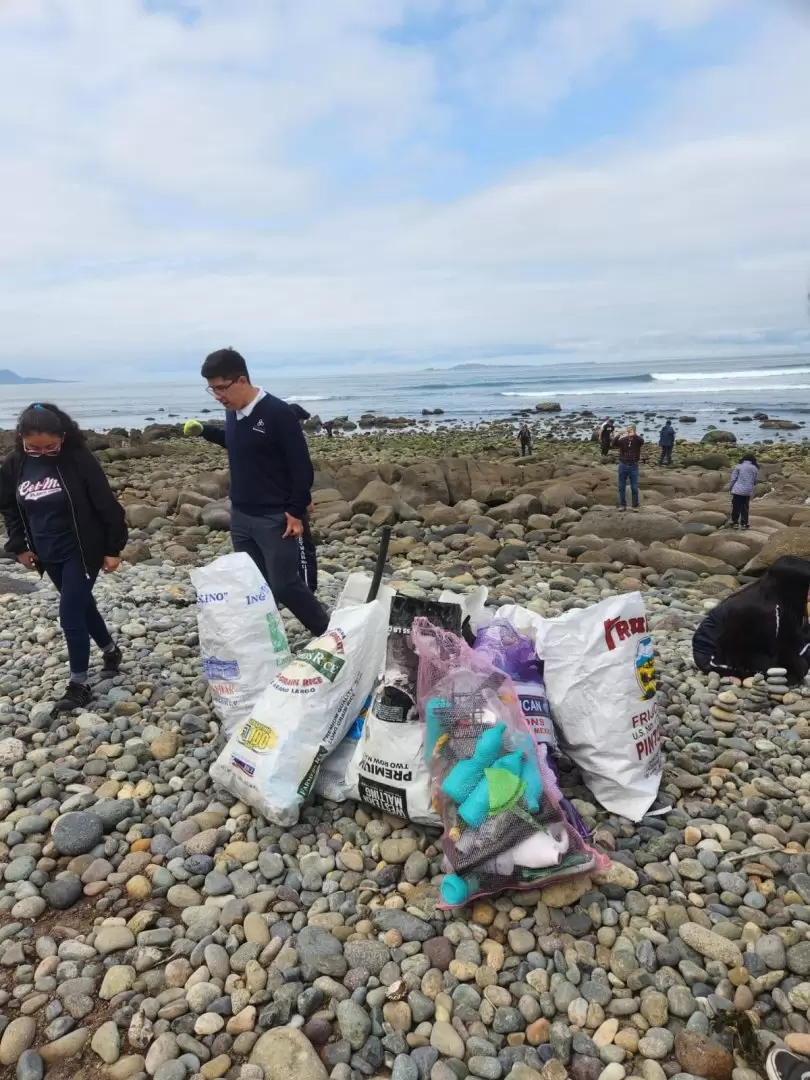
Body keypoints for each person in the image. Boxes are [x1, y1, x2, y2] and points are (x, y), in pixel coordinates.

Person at [184, 348, 329, 637]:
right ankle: (268, 642)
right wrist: (205, 431)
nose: (218, 396)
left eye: (221, 388)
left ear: (241, 380)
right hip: (241, 515)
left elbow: (301, 466)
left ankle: (328, 633)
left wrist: (296, 511)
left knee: (284, 584)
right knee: (254, 584)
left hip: (275, 516)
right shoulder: (233, 412)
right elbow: (239, 444)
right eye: (211, 390)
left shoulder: (277, 413)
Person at [0, 403, 128, 711]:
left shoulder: (79, 460)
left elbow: (107, 506)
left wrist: (114, 549)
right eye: (35, 448)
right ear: (21, 438)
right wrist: (20, 546)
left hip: (82, 549)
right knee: (83, 606)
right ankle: (111, 651)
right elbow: (10, 507)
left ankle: (78, 684)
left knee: (69, 612)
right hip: (46, 550)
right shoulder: (16, 463)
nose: (43, 453)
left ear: (63, 437)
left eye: (50, 447)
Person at [692, 555, 810, 682]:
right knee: (790, 674)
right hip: (714, 656)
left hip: (750, 645)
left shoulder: (774, 597)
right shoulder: (764, 612)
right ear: (793, 588)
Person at [288, 404, 318, 593]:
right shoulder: (292, 439)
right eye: (299, 422)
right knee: (304, 550)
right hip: (291, 506)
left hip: (287, 501)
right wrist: (304, 500)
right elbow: (302, 472)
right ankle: (308, 592)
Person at [612, 424, 644, 511]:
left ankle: (635, 505)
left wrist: (635, 435)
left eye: (632, 429)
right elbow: (614, 444)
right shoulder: (623, 440)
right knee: (621, 487)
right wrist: (618, 435)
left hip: (633, 465)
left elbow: (642, 441)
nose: (630, 431)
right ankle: (622, 505)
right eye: (629, 429)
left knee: (634, 487)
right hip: (623, 465)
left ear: (635, 430)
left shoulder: (637, 440)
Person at [729, 452, 758, 529]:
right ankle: (744, 524)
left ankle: (735, 523)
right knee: (745, 507)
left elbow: (733, 479)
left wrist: (730, 488)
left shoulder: (739, 466)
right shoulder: (754, 468)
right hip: (747, 491)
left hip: (737, 490)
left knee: (736, 506)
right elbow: (755, 480)